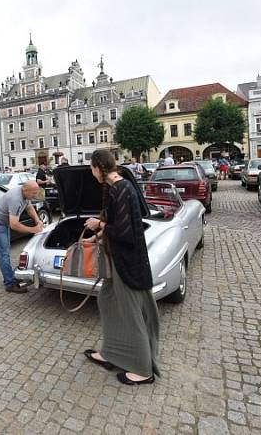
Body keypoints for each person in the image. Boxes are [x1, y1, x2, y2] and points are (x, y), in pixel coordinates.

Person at [82, 149, 159, 385]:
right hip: (117, 258)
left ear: (97, 167)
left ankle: (143, 370)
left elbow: (124, 233)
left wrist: (97, 224)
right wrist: (96, 237)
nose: (92, 173)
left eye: (91, 168)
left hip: (127, 262)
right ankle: (111, 354)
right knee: (107, 301)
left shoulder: (121, 188)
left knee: (130, 313)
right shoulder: (117, 187)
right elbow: (116, 224)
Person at [0, 180, 44, 293]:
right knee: (4, 253)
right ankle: (9, 284)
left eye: (36, 193)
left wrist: (38, 221)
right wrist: (33, 230)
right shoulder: (16, 199)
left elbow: (29, 207)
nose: (35, 195)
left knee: (6, 250)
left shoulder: (25, 194)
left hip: (3, 222)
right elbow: (14, 225)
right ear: (25, 190)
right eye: (33, 193)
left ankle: (10, 277)